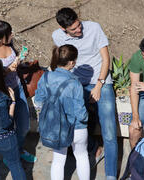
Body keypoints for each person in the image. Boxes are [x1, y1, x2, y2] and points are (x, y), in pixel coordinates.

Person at [52, 7, 117, 179]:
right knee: (74, 126)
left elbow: (106, 59)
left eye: (79, 25)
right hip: (76, 85)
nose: (79, 30)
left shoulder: (94, 28)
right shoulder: (57, 36)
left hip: (101, 81)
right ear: (63, 29)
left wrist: (99, 85)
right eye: (74, 29)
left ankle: (110, 175)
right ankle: (93, 148)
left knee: (109, 130)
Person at [0, 20, 37, 163]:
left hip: (17, 88)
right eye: (9, 34)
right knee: (7, 127)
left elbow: (14, 63)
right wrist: (6, 71)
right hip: (2, 94)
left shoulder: (7, 44)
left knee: (24, 125)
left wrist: (20, 59)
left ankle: (17, 149)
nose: (12, 35)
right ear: (0, 38)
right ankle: (11, 154)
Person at [35, 44, 90, 180]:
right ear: (71, 62)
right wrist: (87, 117)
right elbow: (80, 112)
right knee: (82, 156)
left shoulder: (45, 77)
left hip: (55, 127)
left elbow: (38, 101)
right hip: (77, 127)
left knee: (58, 160)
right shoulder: (75, 82)